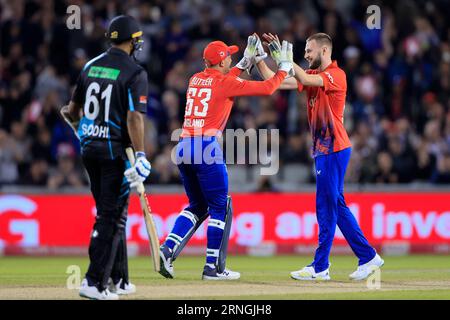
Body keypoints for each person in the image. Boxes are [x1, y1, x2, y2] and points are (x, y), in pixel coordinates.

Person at [158, 36, 294, 280]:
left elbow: (226, 78)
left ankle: (167, 249)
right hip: (206, 148)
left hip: (182, 146)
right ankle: (213, 268)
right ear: (221, 62)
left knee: (197, 207)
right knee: (221, 206)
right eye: (228, 56)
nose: (231, 58)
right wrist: (283, 68)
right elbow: (268, 88)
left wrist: (244, 61)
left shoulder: (195, 79)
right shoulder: (225, 82)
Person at [255, 32, 384, 281]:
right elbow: (277, 82)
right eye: (304, 51)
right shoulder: (313, 75)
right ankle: (368, 257)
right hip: (325, 149)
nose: (305, 55)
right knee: (335, 204)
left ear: (325, 51)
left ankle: (320, 266)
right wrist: (260, 59)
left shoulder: (336, 75)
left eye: (309, 50)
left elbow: (300, 75)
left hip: (333, 148)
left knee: (325, 206)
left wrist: (285, 58)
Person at [61, 15, 151, 299]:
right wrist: (140, 155)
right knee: (111, 217)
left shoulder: (90, 65)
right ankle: (93, 282)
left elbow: (70, 111)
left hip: (89, 150)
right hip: (115, 152)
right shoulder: (135, 73)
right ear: (132, 41)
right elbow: (134, 117)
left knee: (111, 214)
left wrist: (82, 132)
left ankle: (118, 279)